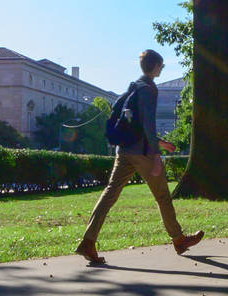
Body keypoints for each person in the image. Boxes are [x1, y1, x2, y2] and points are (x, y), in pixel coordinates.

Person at [75, 49, 203, 264]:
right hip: (142, 153)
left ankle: (88, 242)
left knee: (109, 194)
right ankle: (178, 239)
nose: (161, 69)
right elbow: (147, 124)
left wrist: (160, 143)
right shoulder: (150, 89)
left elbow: (136, 125)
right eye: (161, 66)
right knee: (162, 196)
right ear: (155, 66)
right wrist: (155, 155)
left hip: (124, 150)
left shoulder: (134, 86)